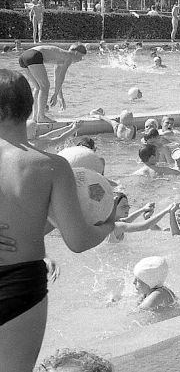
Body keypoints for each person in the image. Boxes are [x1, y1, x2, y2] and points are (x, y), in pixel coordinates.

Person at [0, 69, 117, 371]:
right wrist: (108, 223)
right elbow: (78, 241)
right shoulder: (50, 166)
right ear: (29, 108)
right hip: (19, 281)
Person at [18, 43, 87, 123]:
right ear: (76, 53)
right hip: (34, 55)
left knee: (38, 87)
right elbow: (62, 76)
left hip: (24, 57)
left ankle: (35, 117)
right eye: (81, 57)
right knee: (44, 86)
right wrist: (55, 94)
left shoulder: (61, 56)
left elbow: (57, 79)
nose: (81, 60)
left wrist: (59, 96)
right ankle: (41, 116)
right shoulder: (69, 57)